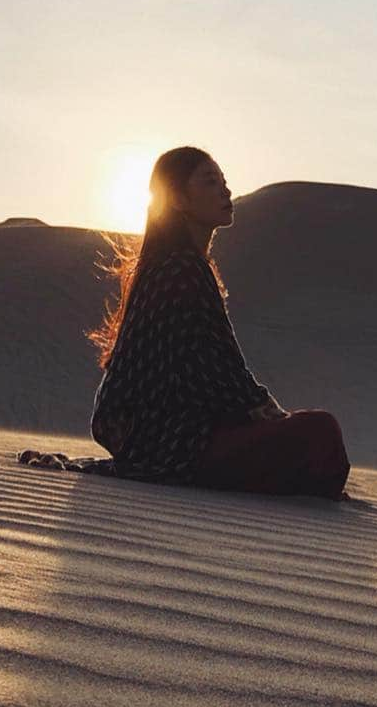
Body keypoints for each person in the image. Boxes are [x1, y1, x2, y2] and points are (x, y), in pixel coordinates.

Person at [18, 146, 351, 500]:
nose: (225, 191)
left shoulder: (180, 266)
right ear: (177, 198)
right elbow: (215, 371)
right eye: (210, 182)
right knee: (320, 431)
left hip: (172, 436)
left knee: (310, 436)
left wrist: (261, 409)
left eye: (224, 181)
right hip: (174, 442)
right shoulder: (181, 270)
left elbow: (213, 368)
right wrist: (262, 409)